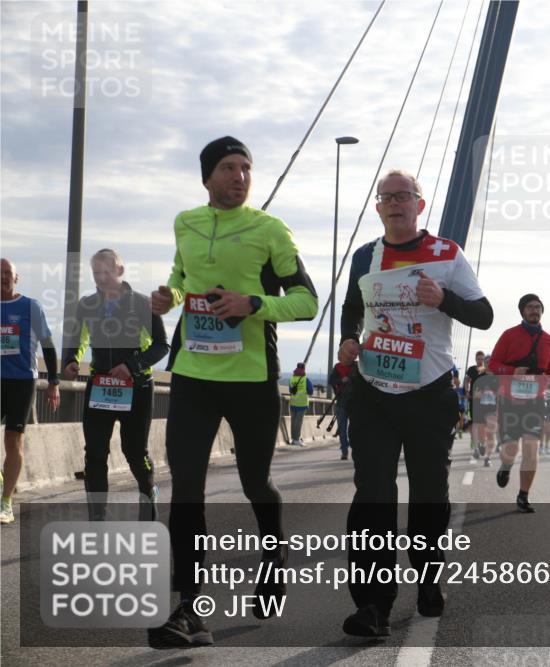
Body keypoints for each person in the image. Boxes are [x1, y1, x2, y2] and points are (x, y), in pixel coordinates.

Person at [147, 136, 318, 648]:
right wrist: (168, 295)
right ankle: (189, 610)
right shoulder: (186, 223)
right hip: (195, 377)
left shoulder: (270, 229)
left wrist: (254, 304)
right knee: (187, 493)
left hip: (251, 380)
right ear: (207, 177)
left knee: (255, 484)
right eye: (228, 167)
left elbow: (307, 301)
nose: (240, 176)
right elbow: (182, 277)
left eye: (246, 167)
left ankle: (274, 556)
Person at [338, 169, 492, 637]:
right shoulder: (366, 255)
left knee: (428, 494)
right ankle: (372, 605)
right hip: (374, 391)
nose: (395, 203)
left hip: (428, 392)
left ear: (419, 205)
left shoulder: (447, 254)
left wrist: (443, 298)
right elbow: (351, 308)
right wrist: (348, 339)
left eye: (404, 196)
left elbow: (483, 316)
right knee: (372, 495)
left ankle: (428, 577)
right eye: (386, 197)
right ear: (379, 208)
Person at [61, 249, 168, 521]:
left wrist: (131, 366)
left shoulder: (142, 304)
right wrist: (71, 361)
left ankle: (148, 491)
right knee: (95, 453)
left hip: (137, 387)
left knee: (134, 452)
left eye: (106, 272)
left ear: (120, 271)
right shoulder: (86, 305)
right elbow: (76, 340)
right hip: (100, 386)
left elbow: (161, 345)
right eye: (96, 273)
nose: (101, 278)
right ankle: (97, 517)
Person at [1, 258, 60, 525]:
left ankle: (6, 502)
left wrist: (54, 382)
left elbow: (47, 343)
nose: (3, 277)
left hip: (22, 381)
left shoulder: (29, 306)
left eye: (7, 273)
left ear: (16, 278)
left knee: (13, 439)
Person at [488, 294, 550, 513]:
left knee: (531, 448)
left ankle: (523, 496)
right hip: (510, 400)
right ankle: (506, 466)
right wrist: (511, 372)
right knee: (510, 448)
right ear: (522, 311)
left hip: (535, 402)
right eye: (530, 307)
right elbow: (492, 365)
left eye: (538, 307)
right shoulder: (509, 336)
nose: (534, 310)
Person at [329, 345, 359, 461]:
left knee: (354, 429)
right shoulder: (337, 368)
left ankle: (354, 449)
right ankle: (344, 452)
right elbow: (331, 381)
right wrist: (341, 380)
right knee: (342, 429)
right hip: (341, 402)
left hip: (354, 402)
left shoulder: (356, 367)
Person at [288, 362, 313, 446]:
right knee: (298, 422)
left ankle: (293, 439)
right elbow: (311, 391)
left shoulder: (291, 379)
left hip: (293, 403)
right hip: (302, 404)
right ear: (304, 369)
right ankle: (296, 439)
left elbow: (290, 390)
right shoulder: (306, 379)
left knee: (293, 422)